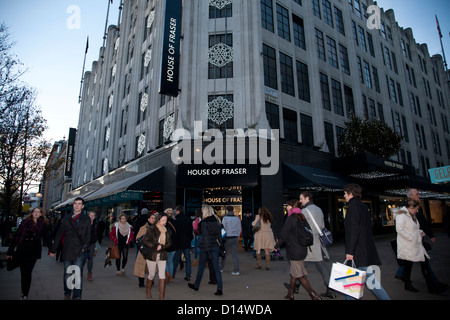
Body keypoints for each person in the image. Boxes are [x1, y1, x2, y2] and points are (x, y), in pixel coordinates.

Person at [394, 189, 447, 293]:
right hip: (409, 244)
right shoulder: (402, 213)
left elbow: (418, 224)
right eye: (417, 194)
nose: (419, 195)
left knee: (418, 264)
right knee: (410, 265)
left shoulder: (413, 213)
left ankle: (431, 284)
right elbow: (399, 229)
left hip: (416, 244)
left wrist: (422, 232)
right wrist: (412, 238)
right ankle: (429, 285)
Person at [344, 184, 390, 300]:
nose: (344, 196)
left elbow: (354, 230)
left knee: (366, 282)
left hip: (358, 251)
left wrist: (350, 251)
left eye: (345, 193)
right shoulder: (363, 206)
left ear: (350, 193)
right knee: (361, 282)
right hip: (364, 249)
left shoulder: (353, 207)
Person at [276, 207, 322, 300]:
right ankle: (291, 293)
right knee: (294, 273)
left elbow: (284, 235)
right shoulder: (302, 219)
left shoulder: (290, 219)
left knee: (300, 276)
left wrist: (276, 246)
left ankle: (314, 295)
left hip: (294, 251)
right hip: (302, 249)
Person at [50, 197, 91, 300]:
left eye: (79, 204)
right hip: (68, 249)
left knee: (77, 273)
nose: (76, 205)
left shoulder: (86, 218)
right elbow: (59, 234)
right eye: (75, 203)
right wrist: (53, 249)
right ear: (73, 205)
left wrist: (85, 247)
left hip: (79, 249)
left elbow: (87, 235)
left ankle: (77, 296)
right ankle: (67, 292)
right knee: (68, 273)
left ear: (82, 206)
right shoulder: (66, 218)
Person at [6, 207, 51, 300]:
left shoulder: (42, 225)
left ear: (41, 214)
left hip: (33, 252)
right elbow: (16, 238)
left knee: (28, 272)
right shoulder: (25, 223)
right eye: (35, 211)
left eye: (38, 212)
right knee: (24, 273)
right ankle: (24, 292)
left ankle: (25, 294)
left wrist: (52, 250)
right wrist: (10, 251)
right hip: (22, 250)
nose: (36, 213)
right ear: (32, 213)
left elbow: (47, 238)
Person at [298, 191, 335, 298]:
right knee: (312, 264)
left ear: (307, 198)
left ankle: (294, 286)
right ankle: (294, 286)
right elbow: (322, 225)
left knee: (306, 265)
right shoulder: (318, 209)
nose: (300, 201)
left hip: (310, 242)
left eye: (301, 198)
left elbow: (301, 227)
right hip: (318, 240)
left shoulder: (305, 211)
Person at [188, 204, 223, 296]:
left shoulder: (204, 223)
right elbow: (219, 236)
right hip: (215, 246)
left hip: (206, 247)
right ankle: (220, 288)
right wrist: (220, 246)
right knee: (216, 268)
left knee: (201, 267)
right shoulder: (216, 221)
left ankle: (196, 285)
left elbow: (205, 237)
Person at [141, 214, 172, 300]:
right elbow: (145, 241)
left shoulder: (167, 231)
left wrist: (162, 246)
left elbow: (169, 243)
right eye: (163, 220)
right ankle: (148, 290)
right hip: (152, 255)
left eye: (166, 220)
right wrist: (156, 245)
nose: (165, 222)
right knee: (151, 274)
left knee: (162, 275)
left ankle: (161, 297)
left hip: (162, 255)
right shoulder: (152, 229)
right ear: (158, 220)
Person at [133, 213, 156, 288]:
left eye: (154, 218)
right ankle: (141, 282)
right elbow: (138, 238)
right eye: (152, 218)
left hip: (152, 250)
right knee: (141, 266)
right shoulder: (143, 228)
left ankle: (151, 280)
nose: (153, 219)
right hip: (144, 250)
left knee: (152, 266)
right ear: (148, 219)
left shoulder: (157, 228)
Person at [172, 205, 193, 281]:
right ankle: (188, 276)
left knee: (176, 259)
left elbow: (175, 233)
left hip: (178, 243)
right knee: (188, 260)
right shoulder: (188, 219)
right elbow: (191, 231)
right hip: (186, 242)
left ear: (178, 211)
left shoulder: (176, 220)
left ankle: (172, 274)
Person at [220, 206, 242, 275]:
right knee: (235, 254)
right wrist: (237, 237)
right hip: (235, 237)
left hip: (227, 238)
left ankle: (221, 268)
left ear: (227, 211)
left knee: (224, 253)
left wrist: (222, 238)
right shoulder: (237, 218)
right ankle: (236, 270)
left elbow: (223, 229)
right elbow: (239, 229)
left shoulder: (225, 218)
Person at [86, 211, 99, 281]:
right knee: (82, 258)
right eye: (90, 215)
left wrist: (95, 239)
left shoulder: (96, 224)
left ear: (94, 217)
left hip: (92, 243)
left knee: (90, 258)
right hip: (84, 243)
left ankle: (89, 273)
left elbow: (98, 233)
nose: (91, 217)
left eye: (93, 216)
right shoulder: (85, 223)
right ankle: (80, 271)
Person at [164, 208, 176, 282]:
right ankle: (171, 276)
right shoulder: (175, 222)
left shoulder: (165, 223)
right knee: (171, 261)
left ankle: (167, 272)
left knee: (164, 260)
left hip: (166, 245)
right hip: (173, 245)